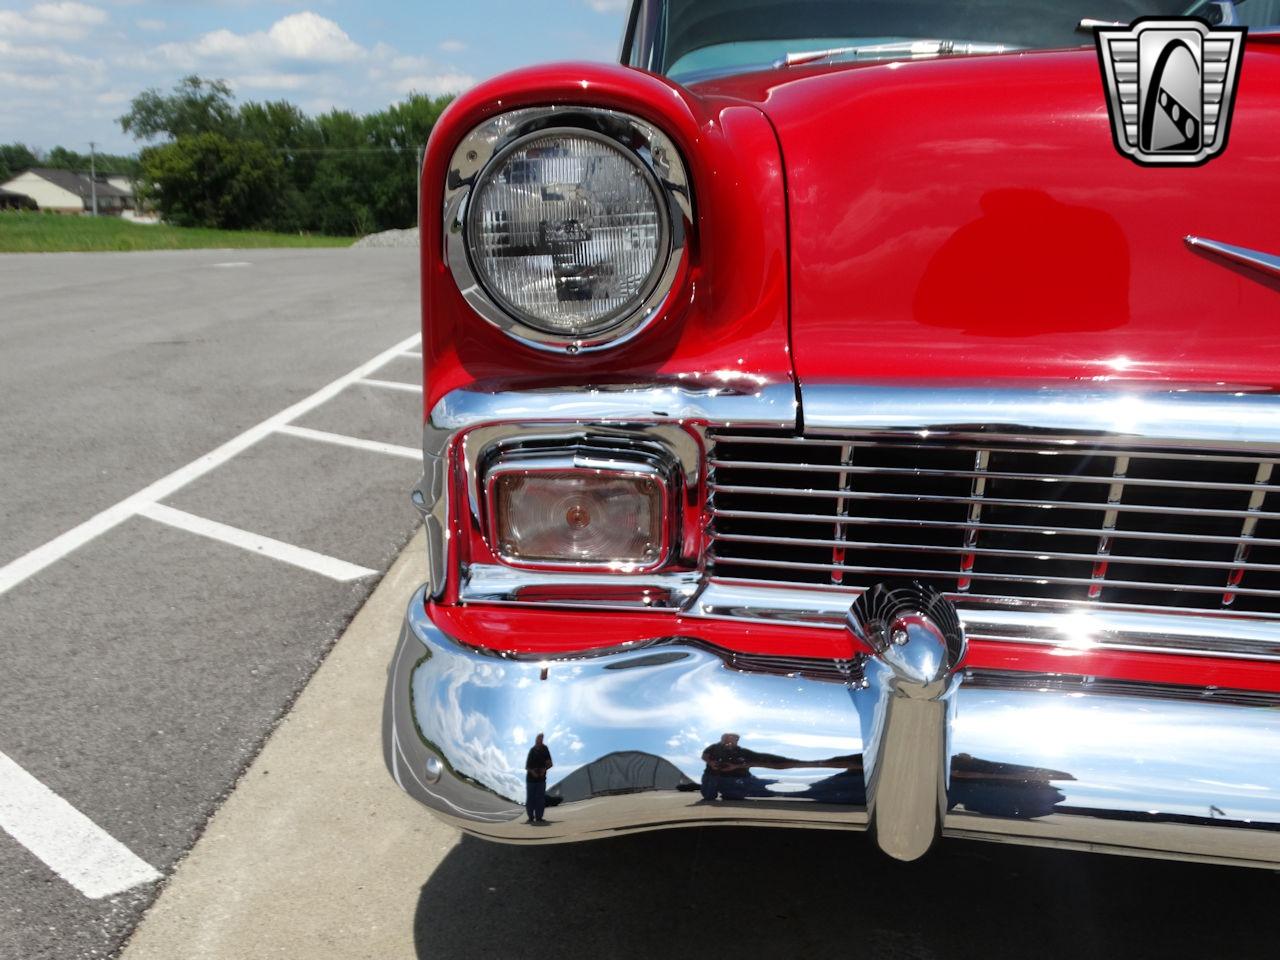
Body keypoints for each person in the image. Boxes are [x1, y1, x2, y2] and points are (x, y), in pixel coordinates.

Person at [524, 733, 553, 823]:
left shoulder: (545, 749)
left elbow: (550, 763)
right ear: (536, 739)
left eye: (541, 738)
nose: (539, 740)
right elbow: (527, 767)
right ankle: (530, 818)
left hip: (541, 778)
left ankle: (539, 817)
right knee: (530, 798)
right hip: (530, 779)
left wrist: (544, 770)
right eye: (538, 738)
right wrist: (533, 772)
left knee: (540, 798)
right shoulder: (531, 750)